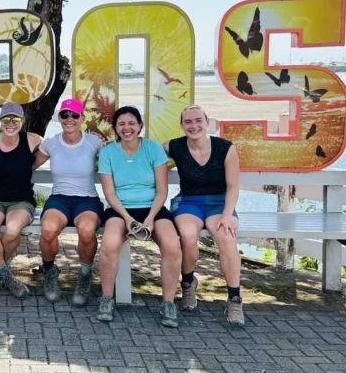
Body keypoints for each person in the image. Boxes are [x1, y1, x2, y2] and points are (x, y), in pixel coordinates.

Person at [96, 106, 181, 326]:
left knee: (172, 246)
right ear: (115, 127)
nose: (127, 128)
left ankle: (168, 303)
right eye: (121, 124)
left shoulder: (153, 148)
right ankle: (106, 298)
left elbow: (162, 190)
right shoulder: (108, 152)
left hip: (152, 207)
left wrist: (151, 218)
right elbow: (109, 193)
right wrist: (127, 218)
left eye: (131, 123)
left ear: (140, 125)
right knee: (109, 243)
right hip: (120, 208)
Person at [165, 105, 244, 326]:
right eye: (188, 122)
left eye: (198, 120)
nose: (194, 126)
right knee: (188, 235)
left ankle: (235, 298)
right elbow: (144, 151)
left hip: (219, 204)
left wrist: (228, 215)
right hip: (188, 202)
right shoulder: (175, 146)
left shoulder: (225, 148)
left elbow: (233, 186)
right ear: (181, 125)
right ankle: (188, 283)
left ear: (207, 122)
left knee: (227, 237)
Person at [36, 98, 106, 306]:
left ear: (82, 118)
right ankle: (49, 272)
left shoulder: (94, 142)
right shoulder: (51, 143)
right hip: (59, 199)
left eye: (75, 115)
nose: (70, 119)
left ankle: (84, 275)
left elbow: (115, 162)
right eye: (65, 115)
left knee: (86, 231)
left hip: (88, 200)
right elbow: (27, 166)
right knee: (48, 230)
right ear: (59, 118)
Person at [0, 101, 43, 299]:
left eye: (16, 119)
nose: (11, 123)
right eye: (6, 118)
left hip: (21, 200)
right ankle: (7, 277)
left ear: (23, 120)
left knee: (12, 231)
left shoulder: (33, 140)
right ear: (0, 120)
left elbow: (59, 147)